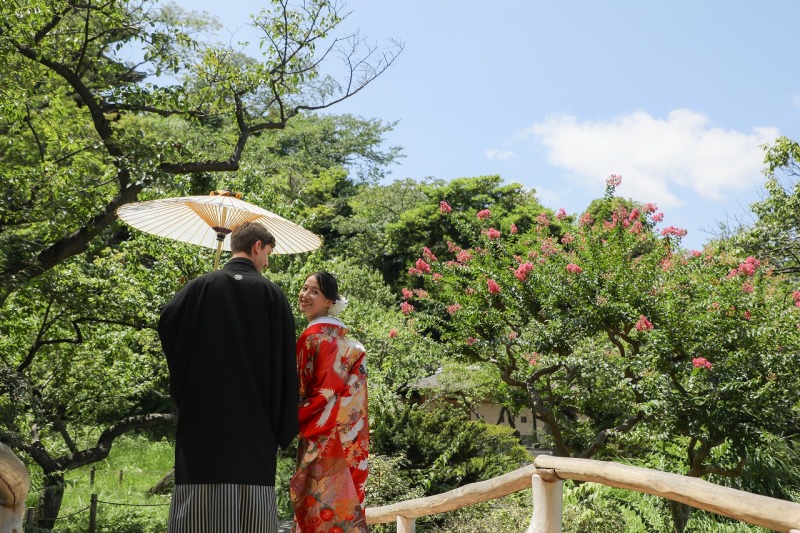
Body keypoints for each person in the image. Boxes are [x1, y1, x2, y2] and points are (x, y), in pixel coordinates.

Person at [157, 221, 298, 533]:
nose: (267, 262)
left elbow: (167, 322)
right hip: (254, 428)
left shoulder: (200, 286)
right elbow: (286, 364)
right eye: (268, 253)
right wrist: (282, 426)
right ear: (257, 246)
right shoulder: (271, 294)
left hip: (202, 425)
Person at [290, 272, 369, 532]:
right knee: (344, 511)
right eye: (304, 288)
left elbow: (308, 393)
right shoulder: (346, 341)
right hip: (351, 439)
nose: (305, 295)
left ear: (329, 301)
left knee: (317, 511)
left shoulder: (313, 337)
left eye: (315, 292)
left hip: (324, 437)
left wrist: (285, 415)